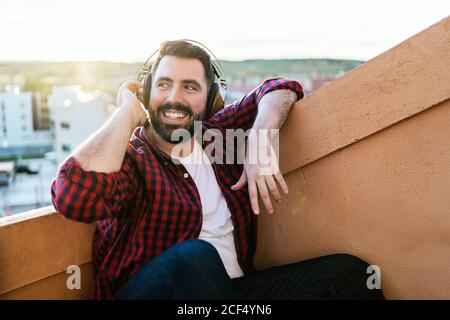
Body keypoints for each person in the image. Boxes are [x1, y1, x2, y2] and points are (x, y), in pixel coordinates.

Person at [51, 40, 384, 300]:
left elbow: (280, 88)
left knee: (350, 276)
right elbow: (72, 198)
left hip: (233, 296)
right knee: (195, 259)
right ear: (147, 91)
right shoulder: (133, 158)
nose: (174, 98)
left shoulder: (219, 135)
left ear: (211, 99)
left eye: (190, 87)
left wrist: (259, 137)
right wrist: (126, 112)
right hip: (155, 292)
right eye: (163, 85)